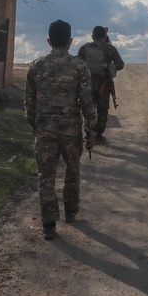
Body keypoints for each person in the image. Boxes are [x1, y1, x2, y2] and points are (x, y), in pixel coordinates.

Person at [24, 19, 97, 240]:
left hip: (45, 128)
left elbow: (29, 102)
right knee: (72, 170)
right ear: (70, 41)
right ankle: (71, 209)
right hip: (70, 128)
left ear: (49, 41)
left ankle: (49, 223)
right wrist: (91, 128)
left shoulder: (36, 65)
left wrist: (35, 125)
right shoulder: (79, 66)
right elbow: (86, 101)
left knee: (46, 176)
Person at [77, 25, 125, 144]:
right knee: (102, 109)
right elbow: (120, 64)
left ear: (92, 36)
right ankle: (99, 135)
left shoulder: (84, 48)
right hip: (104, 84)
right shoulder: (110, 49)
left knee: (88, 108)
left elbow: (78, 64)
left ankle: (88, 132)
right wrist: (110, 67)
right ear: (104, 36)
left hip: (86, 84)